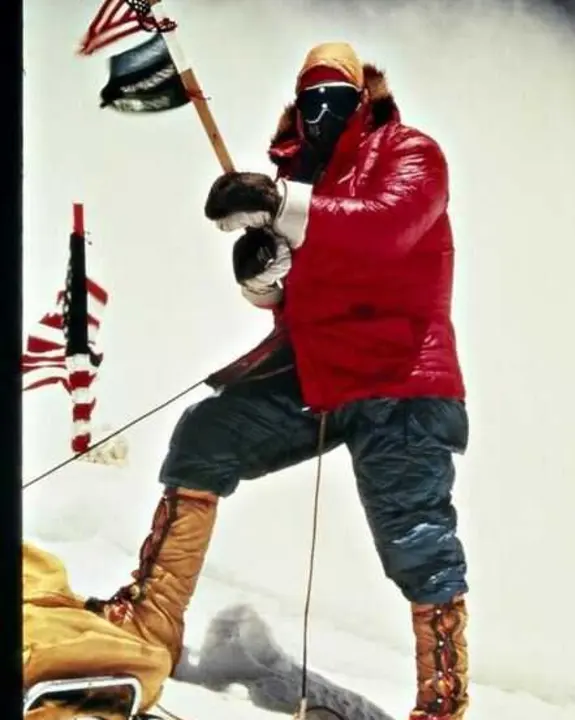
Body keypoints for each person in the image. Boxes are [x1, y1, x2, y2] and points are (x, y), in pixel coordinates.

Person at [84, 42, 472, 720]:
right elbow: (303, 295)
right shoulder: (304, 179)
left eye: (337, 98)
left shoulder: (410, 154)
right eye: (311, 99)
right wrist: (264, 283)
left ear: (364, 100)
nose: (323, 112)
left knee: (417, 536)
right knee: (208, 434)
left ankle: (443, 700)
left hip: (399, 379)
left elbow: (383, 232)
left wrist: (278, 201)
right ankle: (153, 620)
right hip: (315, 372)